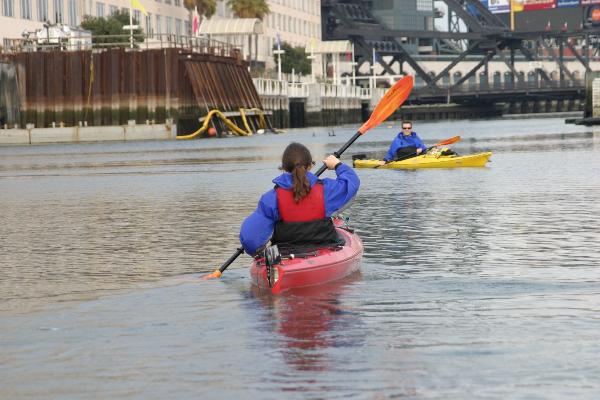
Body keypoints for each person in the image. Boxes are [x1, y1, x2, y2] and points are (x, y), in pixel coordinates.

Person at [239, 142, 360, 256]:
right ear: (310, 166)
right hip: (324, 249)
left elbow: (250, 239)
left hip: (286, 255)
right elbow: (351, 183)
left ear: (284, 168)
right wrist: (337, 165)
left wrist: (259, 253)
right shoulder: (326, 190)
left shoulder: (271, 199)